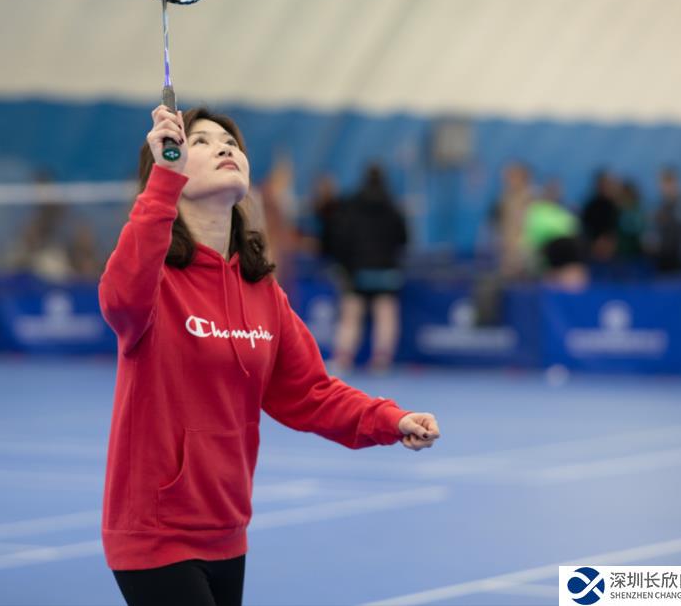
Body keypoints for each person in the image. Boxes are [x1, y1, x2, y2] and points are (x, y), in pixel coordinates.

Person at [98, 106, 440, 606]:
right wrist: (162, 182)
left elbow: (311, 393)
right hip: (154, 534)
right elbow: (119, 296)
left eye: (231, 142)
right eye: (200, 141)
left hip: (228, 529)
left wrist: (390, 419)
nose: (224, 147)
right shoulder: (153, 281)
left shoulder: (262, 292)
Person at [328, 164, 409, 374]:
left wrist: (347, 264)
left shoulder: (352, 206)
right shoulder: (393, 207)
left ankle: (343, 358)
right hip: (386, 271)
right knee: (385, 314)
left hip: (357, 270)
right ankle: (381, 360)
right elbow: (403, 238)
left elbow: (341, 238)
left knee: (350, 315)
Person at [650, 167, 681, 274]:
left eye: (665, 183)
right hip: (664, 250)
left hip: (675, 251)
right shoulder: (662, 203)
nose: (661, 187)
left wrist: (663, 217)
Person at [581, 170, 620, 263]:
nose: (605, 187)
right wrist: (597, 242)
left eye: (608, 184)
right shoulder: (591, 206)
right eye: (602, 184)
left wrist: (610, 241)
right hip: (593, 248)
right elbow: (586, 227)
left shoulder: (619, 206)